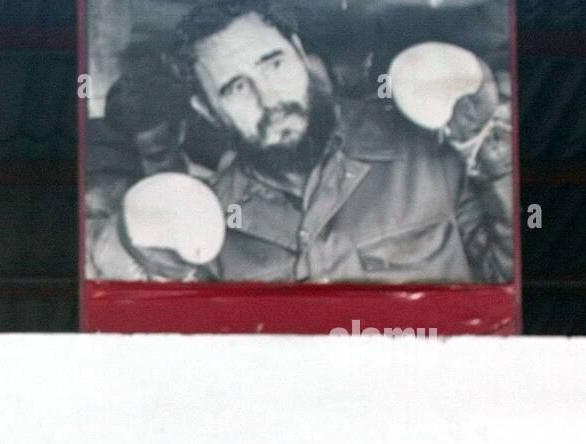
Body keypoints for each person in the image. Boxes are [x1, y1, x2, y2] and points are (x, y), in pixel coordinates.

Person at [155, 0, 513, 284]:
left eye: (274, 64)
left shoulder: (425, 147)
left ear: (297, 51)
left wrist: (498, 170)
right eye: (236, 87)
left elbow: (506, 280)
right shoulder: (209, 225)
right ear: (205, 109)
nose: (270, 100)